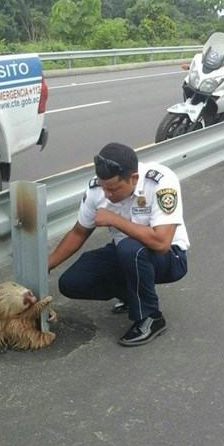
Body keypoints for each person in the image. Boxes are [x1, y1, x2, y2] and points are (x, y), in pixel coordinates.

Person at [47, 143, 189, 346]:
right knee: (71, 283)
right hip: (126, 254)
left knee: (130, 249)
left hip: (170, 258)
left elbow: (161, 242)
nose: (107, 194)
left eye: (113, 189)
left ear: (133, 178)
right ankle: (131, 295)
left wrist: (114, 219)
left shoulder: (160, 181)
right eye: (104, 188)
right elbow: (79, 232)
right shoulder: (97, 189)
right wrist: (47, 264)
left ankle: (151, 317)